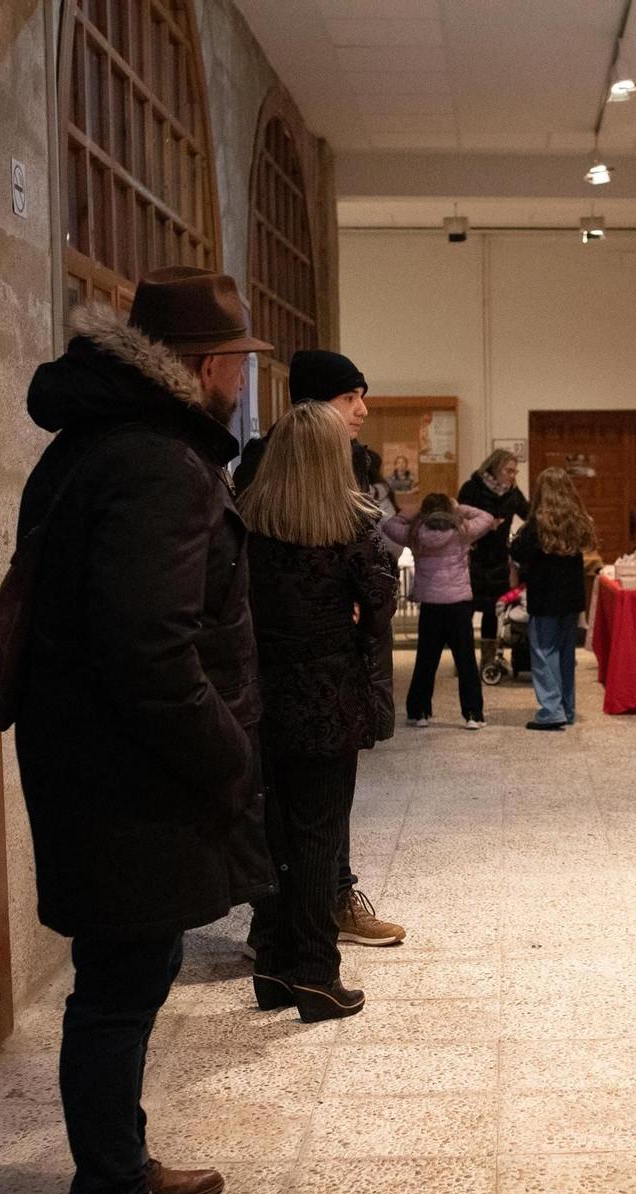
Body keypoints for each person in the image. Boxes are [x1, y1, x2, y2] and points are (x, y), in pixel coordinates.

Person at [16, 266, 272, 1194]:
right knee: (119, 988)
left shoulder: (98, 444)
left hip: (100, 764)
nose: (241, 382)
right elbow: (148, 649)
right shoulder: (159, 463)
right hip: (128, 776)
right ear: (207, 366)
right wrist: (229, 753)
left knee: (129, 974)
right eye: (238, 363)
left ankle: (116, 1163)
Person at [238, 353, 404, 953]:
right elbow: (375, 588)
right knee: (307, 815)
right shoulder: (269, 470)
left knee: (298, 811)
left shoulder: (266, 492)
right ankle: (304, 947)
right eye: (350, 397)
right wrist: (344, 606)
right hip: (308, 676)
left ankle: (296, 928)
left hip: (285, 674)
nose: (361, 410)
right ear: (312, 407)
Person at [384, 493, 497, 728]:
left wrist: (414, 512)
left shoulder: (416, 533)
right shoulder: (462, 532)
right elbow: (487, 518)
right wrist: (458, 508)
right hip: (458, 604)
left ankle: (419, 712)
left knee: (426, 659)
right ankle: (473, 714)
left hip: (430, 604)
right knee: (465, 661)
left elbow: (389, 525)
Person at [511, 466, 595, 732]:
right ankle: (567, 709)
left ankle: (551, 711)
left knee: (544, 653)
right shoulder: (578, 521)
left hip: (545, 597)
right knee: (565, 654)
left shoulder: (535, 525)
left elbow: (517, 552)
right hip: (571, 598)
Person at [458, 448, 529, 673]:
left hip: (498, 559)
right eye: (508, 470)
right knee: (466, 611)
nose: (512, 475)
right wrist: (486, 525)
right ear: (495, 468)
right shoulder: (472, 488)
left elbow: (528, 514)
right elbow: (459, 519)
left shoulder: (513, 493)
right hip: (473, 557)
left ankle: (487, 661)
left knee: (492, 611)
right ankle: (463, 660)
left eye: (515, 471)